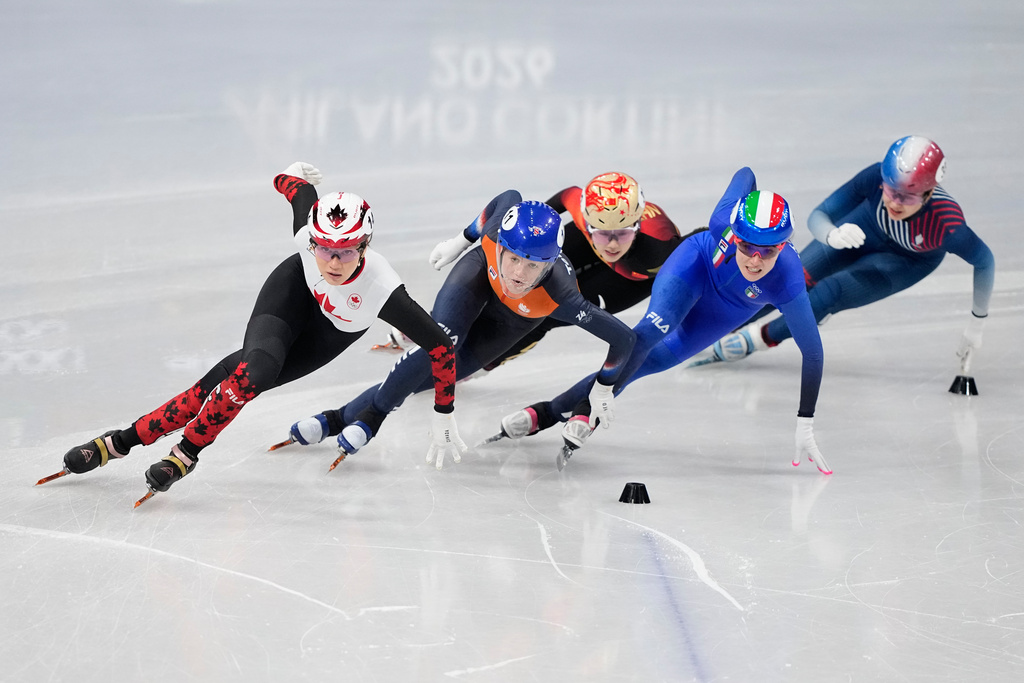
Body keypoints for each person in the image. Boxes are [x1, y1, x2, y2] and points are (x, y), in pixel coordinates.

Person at [37, 162, 460, 504]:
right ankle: (184, 453)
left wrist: (444, 414)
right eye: (324, 249)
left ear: (365, 247)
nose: (333, 261)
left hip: (328, 334)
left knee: (230, 378)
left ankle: (122, 441)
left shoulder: (383, 291)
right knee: (253, 373)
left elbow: (441, 349)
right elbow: (291, 187)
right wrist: (291, 176)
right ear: (312, 241)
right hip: (291, 294)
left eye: (346, 251)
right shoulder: (307, 244)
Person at [497, 167, 832, 474]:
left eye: (769, 251)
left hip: (727, 309)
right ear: (734, 232)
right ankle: (583, 411)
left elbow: (813, 354)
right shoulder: (721, 223)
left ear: (783, 244)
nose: (755, 261)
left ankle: (549, 411)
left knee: (651, 361)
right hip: (695, 265)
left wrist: (806, 420)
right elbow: (745, 174)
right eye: (745, 246)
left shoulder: (788, 282)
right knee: (648, 334)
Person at [284, 190, 637, 465]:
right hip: (479, 275)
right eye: (513, 258)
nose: (518, 274)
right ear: (500, 243)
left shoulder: (564, 297)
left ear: (548, 266)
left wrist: (604, 387)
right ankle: (370, 418)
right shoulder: (496, 233)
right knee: (439, 346)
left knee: (443, 375)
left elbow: (624, 339)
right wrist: (462, 240)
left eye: (532, 267)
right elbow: (508, 196)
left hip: (517, 318)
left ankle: (338, 419)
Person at [706, 136, 994, 371]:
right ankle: (719, 323)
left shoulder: (947, 225)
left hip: (908, 260)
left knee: (828, 294)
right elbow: (820, 215)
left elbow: (984, 261)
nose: (894, 202)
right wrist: (830, 233)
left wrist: (976, 326)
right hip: (863, 228)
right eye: (890, 190)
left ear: (930, 193)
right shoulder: (874, 177)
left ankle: (754, 340)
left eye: (906, 197)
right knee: (789, 278)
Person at [425, 172, 689, 369]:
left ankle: (488, 361)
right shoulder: (584, 213)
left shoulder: (661, 252)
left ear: (637, 226)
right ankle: (446, 318)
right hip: (588, 242)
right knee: (522, 264)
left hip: (633, 278)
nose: (610, 244)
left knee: (548, 311)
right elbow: (564, 197)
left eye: (620, 233)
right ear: (586, 219)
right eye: (601, 231)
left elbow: (701, 254)